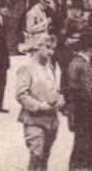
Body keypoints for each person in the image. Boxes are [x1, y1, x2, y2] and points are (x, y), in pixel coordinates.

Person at [14, 35, 63, 171]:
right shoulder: (27, 67)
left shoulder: (49, 67)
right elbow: (21, 94)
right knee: (36, 154)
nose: (50, 52)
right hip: (34, 120)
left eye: (53, 49)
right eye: (47, 47)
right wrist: (39, 106)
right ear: (38, 47)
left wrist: (59, 100)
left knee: (45, 156)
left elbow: (54, 89)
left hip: (51, 120)